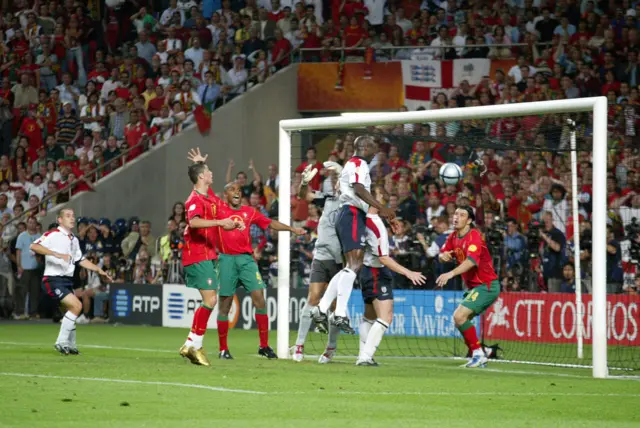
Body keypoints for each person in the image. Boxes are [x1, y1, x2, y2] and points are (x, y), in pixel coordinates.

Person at [312, 136, 395, 334]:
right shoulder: (359, 163)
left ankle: (322, 308)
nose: (375, 152)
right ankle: (339, 313)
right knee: (355, 265)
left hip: (349, 215)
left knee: (350, 266)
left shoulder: (353, 164)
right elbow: (358, 189)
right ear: (364, 146)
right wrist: (381, 207)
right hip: (352, 214)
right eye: (373, 147)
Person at [215, 181, 306, 360]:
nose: (237, 193)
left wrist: (292, 229)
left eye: (239, 190)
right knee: (225, 306)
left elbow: (270, 223)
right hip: (226, 260)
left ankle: (264, 346)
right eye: (232, 190)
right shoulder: (219, 210)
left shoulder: (249, 212)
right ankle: (223, 349)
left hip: (247, 260)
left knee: (260, 300)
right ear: (225, 194)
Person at [179, 148, 243, 367]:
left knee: (210, 300)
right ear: (201, 177)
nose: (212, 173)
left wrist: (232, 222)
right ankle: (192, 345)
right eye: (208, 171)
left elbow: (218, 210)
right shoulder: (194, 199)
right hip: (196, 254)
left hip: (208, 254)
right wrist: (219, 223)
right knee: (211, 300)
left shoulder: (209, 198)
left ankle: (192, 344)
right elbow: (193, 222)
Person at [30, 208, 113, 355]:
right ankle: (61, 342)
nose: (72, 218)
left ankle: (71, 344)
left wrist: (99, 270)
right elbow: (34, 246)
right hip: (53, 279)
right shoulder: (53, 234)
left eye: (73, 216)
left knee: (70, 311)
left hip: (66, 281)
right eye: (68, 216)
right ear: (60, 220)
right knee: (77, 305)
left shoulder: (74, 239)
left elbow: (80, 260)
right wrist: (54, 253)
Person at [356, 207, 426, 366]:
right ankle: (365, 357)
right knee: (386, 317)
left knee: (369, 317)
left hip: (367, 270)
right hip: (376, 272)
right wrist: (408, 273)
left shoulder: (364, 219)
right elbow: (384, 258)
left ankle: (363, 355)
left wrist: (388, 222)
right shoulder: (376, 225)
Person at [435, 206, 499, 368]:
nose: (456, 217)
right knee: (460, 321)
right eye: (455, 213)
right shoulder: (453, 236)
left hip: (487, 286)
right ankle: (481, 352)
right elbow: (443, 254)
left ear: (469, 220)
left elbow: (471, 262)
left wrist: (450, 274)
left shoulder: (474, 236)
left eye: (461, 215)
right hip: (474, 288)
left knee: (459, 316)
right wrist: (443, 257)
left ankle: (478, 354)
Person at [292, 161, 343, 363]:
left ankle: (330, 348)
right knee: (312, 298)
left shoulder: (352, 202)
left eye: (337, 179)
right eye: (333, 179)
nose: (335, 182)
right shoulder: (328, 198)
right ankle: (299, 345)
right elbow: (304, 195)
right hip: (321, 256)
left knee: (334, 306)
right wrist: (304, 183)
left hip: (340, 260)